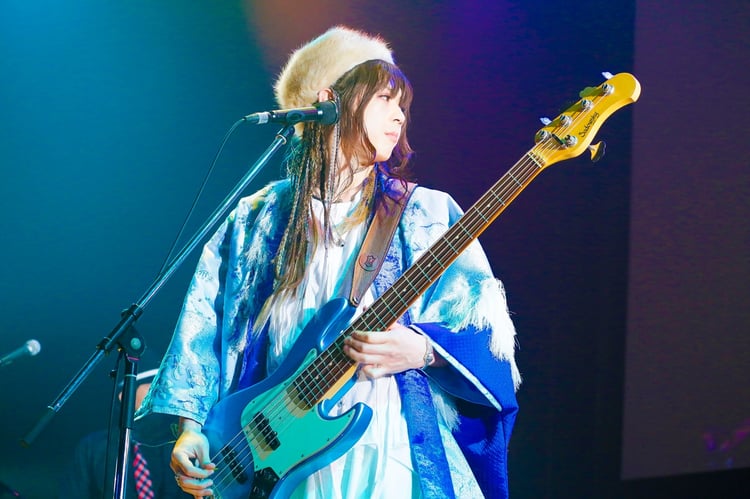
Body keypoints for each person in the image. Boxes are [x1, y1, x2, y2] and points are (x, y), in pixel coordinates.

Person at [136, 26, 521, 498]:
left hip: (387, 445)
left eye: (402, 105)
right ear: (329, 100)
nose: (400, 116)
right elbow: (204, 328)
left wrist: (423, 351)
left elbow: (486, 333)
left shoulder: (426, 212)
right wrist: (191, 428)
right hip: (273, 455)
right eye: (384, 98)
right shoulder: (256, 217)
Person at [60, 369, 187, 498]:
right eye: (154, 386)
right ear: (125, 395)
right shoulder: (94, 447)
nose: (164, 395)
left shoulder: (180, 443)